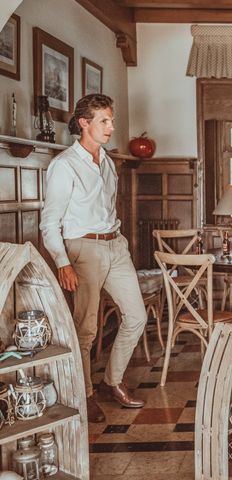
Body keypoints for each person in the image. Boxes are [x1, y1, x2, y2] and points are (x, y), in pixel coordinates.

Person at [40, 94, 147, 423]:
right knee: (85, 329)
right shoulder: (64, 165)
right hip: (82, 249)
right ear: (84, 123)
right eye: (104, 120)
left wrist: (119, 241)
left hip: (115, 245)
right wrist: (62, 261)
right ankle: (84, 395)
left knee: (136, 317)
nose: (111, 127)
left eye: (111, 120)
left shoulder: (109, 162)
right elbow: (49, 222)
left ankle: (111, 382)